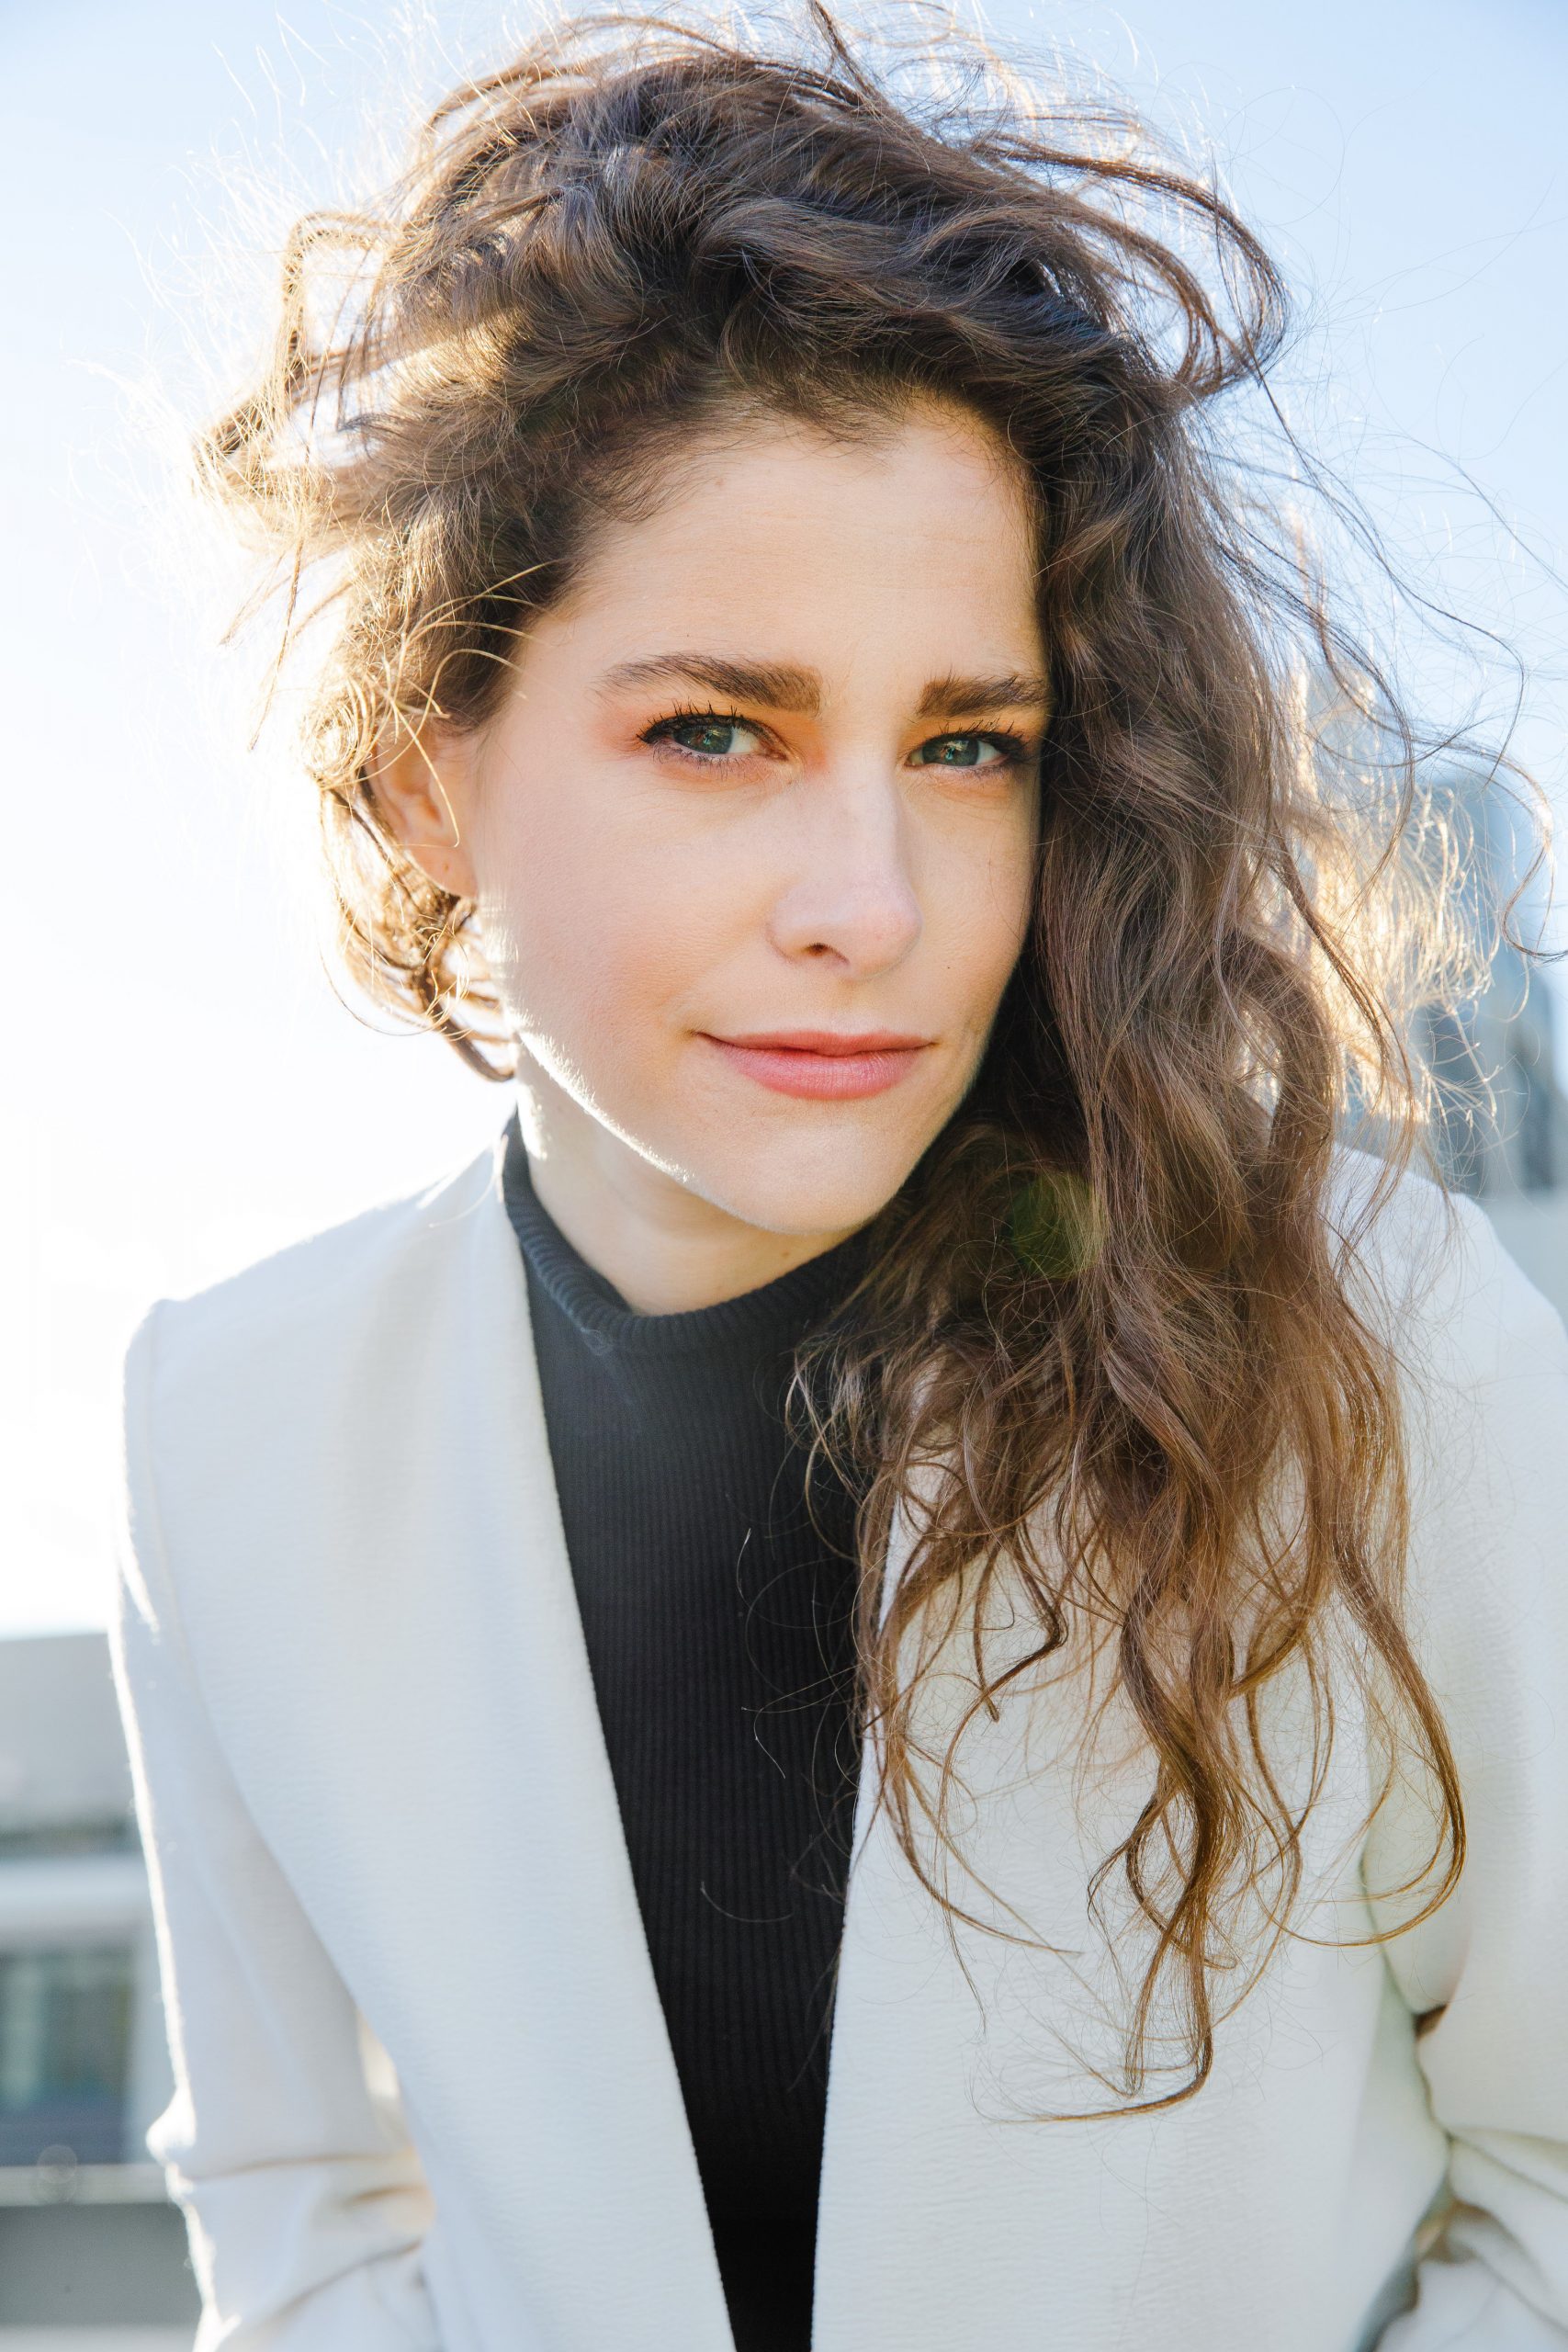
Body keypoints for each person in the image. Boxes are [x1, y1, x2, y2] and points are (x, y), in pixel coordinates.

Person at [107, 5, 1568, 2347]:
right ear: (422, 774)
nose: (870, 902)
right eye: (716, 729)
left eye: (967, 744)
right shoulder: (225, 1423)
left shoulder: (1374, 1331)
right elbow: (301, 2209)